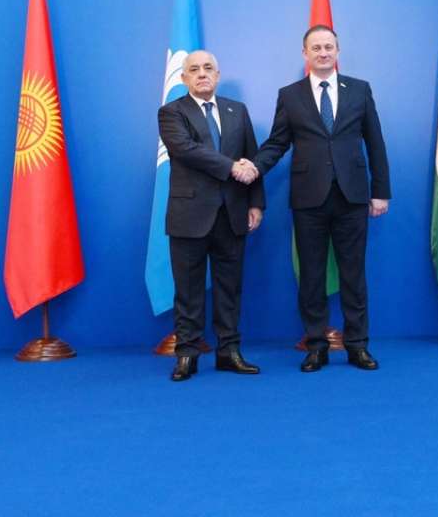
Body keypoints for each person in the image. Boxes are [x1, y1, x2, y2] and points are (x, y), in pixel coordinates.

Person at [239, 25, 390, 372]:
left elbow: (375, 142)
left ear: (338, 51)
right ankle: (316, 346)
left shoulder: (360, 89)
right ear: (304, 53)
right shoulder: (290, 95)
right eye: (316, 48)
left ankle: (357, 346)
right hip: (309, 199)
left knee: (354, 275)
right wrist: (254, 166)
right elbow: (278, 142)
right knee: (311, 276)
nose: (323, 53)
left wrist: (380, 191)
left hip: (352, 197)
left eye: (328, 47)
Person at [158, 50, 265, 382]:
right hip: (189, 214)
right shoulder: (171, 112)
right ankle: (187, 355)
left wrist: (256, 203)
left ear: (217, 76)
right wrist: (232, 167)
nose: (202, 73)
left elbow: (251, 157)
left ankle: (229, 352)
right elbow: (186, 150)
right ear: (184, 78)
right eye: (194, 69)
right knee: (188, 290)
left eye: (208, 68)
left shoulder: (237, 110)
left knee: (229, 289)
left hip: (232, 213)